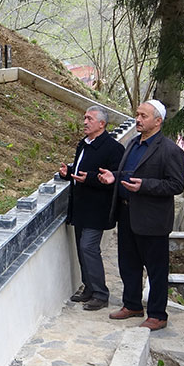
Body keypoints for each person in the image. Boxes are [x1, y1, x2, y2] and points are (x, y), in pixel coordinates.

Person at [98, 100, 184, 330]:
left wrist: (145, 186)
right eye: (137, 114)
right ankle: (132, 304)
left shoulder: (170, 150)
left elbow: (176, 185)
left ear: (158, 121)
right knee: (128, 263)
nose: (138, 119)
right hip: (127, 213)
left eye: (143, 116)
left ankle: (157, 315)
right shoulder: (133, 143)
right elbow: (129, 173)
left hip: (152, 219)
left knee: (156, 269)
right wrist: (114, 176)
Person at [59, 106, 124, 310]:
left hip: (98, 208)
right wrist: (68, 173)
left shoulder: (113, 148)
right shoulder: (84, 144)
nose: (85, 122)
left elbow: (115, 178)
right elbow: (80, 170)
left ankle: (100, 293)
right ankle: (88, 287)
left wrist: (93, 178)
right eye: (85, 118)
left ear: (101, 124)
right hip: (80, 206)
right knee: (81, 247)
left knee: (88, 247)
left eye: (89, 119)